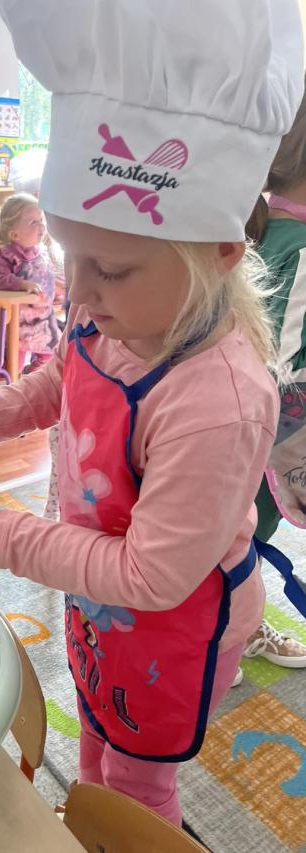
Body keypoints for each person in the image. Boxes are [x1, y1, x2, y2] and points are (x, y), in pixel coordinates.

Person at [0, 0, 305, 826]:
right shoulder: (113, 313)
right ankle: (89, 819)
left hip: (171, 623)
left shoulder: (218, 402)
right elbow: (61, 383)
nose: (79, 294)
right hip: (98, 594)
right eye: (69, 258)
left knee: (137, 783)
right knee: (93, 727)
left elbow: (153, 575)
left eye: (110, 270)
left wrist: (0, 536)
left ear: (221, 253)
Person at [239, 88, 306, 670]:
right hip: (269, 438)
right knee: (246, 534)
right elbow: (283, 368)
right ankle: (230, 633)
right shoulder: (300, 246)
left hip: (249, 429)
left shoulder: (269, 229)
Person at [0, 193, 60, 374]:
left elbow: (46, 278)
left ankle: (29, 379)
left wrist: (59, 289)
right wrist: (22, 284)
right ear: (15, 234)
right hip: (17, 326)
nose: (41, 226)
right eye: (33, 222)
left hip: (42, 322)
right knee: (12, 369)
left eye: (41, 220)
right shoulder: (9, 256)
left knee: (49, 355)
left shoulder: (41, 252)